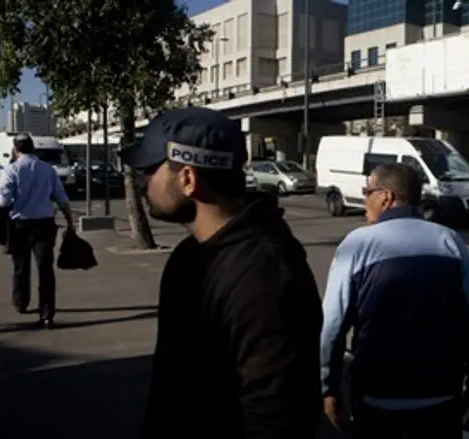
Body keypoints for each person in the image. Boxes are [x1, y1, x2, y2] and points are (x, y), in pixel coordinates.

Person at [118, 107, 322, 438]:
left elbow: (276, 417)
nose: (143, 181)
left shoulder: (265, 274)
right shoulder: (188, 257)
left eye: (150, 170)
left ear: (187, 179)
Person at [320, 163, 469, 439]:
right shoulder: (450, 241)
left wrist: (327, 388)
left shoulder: (357, 245)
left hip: (377, 396)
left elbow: (332, 326)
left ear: (385, 197)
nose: (365, 202)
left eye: (367, 192)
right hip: (441, 397)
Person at [0, 133, 74, 329]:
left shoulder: (11, 170)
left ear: (16, 150)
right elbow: (61, 198)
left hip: (20, 225)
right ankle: (47, 314)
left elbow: (3, 201)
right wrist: (70, 222)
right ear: (33, 148)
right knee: (45, 269)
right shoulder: (48, 170)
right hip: (45, 224)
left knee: (20, 266)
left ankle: (21, 303)